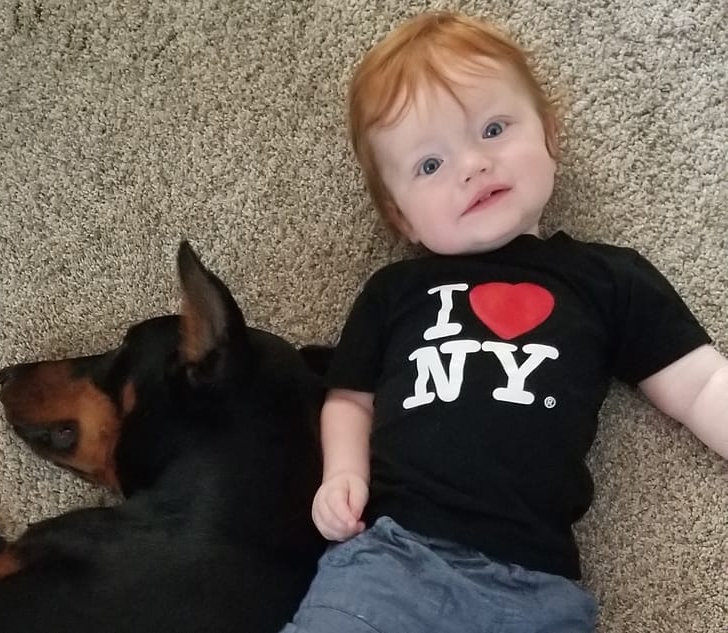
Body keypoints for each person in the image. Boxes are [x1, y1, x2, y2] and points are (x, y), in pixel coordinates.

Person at [280, 10, 728, 633]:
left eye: (493, 128)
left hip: (536, 587)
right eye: (429, 166)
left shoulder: (607, 280)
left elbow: (701, 385)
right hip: (391, 562)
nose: (471, 165)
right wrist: (344, 475)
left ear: (549, 134)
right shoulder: (395, 290)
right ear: (401, 217)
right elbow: (349, 398)